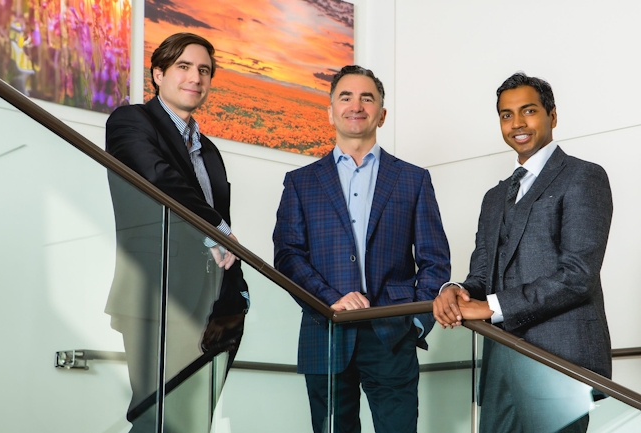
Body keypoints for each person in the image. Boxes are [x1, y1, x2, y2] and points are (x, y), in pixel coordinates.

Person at [273, 65, 450, 433]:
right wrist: (330, 299)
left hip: (392, 335)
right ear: (330, 111)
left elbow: (434, 259)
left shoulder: (413, 179)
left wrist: (416, 321)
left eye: (367, 98)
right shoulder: (301, 183)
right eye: (346, 97)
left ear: (382, 114)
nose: (357, 105)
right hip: (326, 332)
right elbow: (288, 256)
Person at [433, 72, 613, 433]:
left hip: (560, 363)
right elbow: (482, 275)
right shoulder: (494, 197)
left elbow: (578, 275)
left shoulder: (583, 177)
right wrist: (455, 290)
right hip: (501, 362)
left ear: (552, 116)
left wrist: (491, 307)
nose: (517, 123)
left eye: (528, 111)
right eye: (506, 114)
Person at [104, 32, 249, 432]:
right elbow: (157, 176)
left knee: (192, 422)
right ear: (159, 73)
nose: (195, 77)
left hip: (212, 305)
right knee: (158, 416)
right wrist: (216, 228)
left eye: (204, 70)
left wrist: (238, 291)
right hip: (156, 292)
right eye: (184, 67)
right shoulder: (131, 120)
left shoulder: (211, 152)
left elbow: (223, 225)